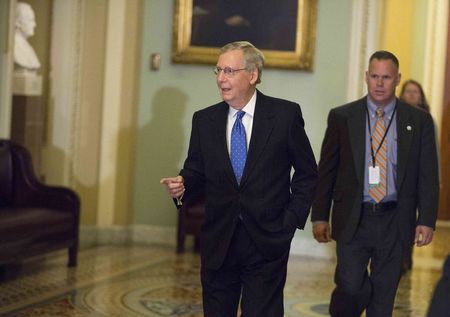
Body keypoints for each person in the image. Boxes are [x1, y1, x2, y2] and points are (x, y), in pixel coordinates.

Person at [161, 41, 318, 316]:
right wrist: (182, 184)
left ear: (253, 75)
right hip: (218, 239)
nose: (221, 79)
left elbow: (307, 173)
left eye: (230, 71)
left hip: (268, 238)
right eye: (218, 71)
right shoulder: (204, 120)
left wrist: (290, 220)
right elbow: (196, 170)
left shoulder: (284, 115)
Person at [311, 50, 439, 317]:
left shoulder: (417, 121)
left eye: (387, 77)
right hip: (354, 218)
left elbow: (427, 174)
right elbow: (327, 171)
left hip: (395, 219)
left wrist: (426, 219)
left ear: (397, 79)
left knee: (384, 295)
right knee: (349, 284)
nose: (380, 83)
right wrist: (319, 216)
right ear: (366, 78)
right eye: (375, 77)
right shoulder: (343, 117)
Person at [399, 79, 430, 274]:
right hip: (403, 179)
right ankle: (401, 256)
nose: (411, 95)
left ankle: (406, 255)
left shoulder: (426, 120)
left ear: (421, 96)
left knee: (413, 217)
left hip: (421, 177)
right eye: (407, 91)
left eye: (415, 92)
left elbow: (432, 154)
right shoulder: (396, 116)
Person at [14, 2, 41, 71]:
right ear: (18, 22)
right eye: (30, 20)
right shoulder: (13, 46)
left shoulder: (26, 46)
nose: (34, 25)